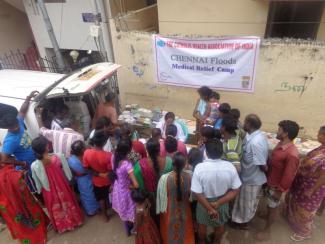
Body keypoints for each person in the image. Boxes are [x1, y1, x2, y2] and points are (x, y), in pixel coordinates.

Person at [255, 120, 300, 241]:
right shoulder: (281, 144)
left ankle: (267, 230)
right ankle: (267, 214)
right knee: (269, 205)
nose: (277, 131)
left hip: (276, 186)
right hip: (270, 181)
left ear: (285, 133)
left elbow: (289, 176)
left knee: (273, 207)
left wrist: (279, 191)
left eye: (279, 130)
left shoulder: (292, 154)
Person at [191, 141, 241, 244]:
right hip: (222, 201)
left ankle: (203, 241)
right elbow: (236, 189)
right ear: (222, 153)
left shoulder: (199, 168)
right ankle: (216, 241)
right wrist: (218, 203)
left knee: (202, 224)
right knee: (220, 224)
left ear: (206, 153)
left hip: (204, 202)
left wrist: (209, 208)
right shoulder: (230, 167)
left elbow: (197, 193)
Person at [31, 136, 83, 234]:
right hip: (62, 185)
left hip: (48, 190)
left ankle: (62, 226)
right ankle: (74, 221)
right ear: (46, 147)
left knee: (55, 207)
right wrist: (70, 179)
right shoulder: (58, 157)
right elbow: (68, 172)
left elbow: (36, 181)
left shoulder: (34, 165)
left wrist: (39, 190)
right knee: (68, 201)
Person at [284, 126, 325, 241]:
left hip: (312, 188)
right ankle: (292, 220)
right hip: (302, 183)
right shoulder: (322, 147)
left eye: (319, 134)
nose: (317, 135)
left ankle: (305, 232)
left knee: (305, 210)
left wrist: (312, 190)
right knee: (295, 202)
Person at [0, 154, 48, 244]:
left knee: (17, 223)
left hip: (6, 206)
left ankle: (26, 239)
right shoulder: (8, 173)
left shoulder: (7, 171)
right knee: (29, 216)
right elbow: (20, 186)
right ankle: (36, 237)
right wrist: (21, 175)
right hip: (19, 203)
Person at [231, 114, 268, 229]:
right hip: (247, 176)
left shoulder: (256, 142)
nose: (243, 124)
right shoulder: (250, 136)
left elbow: (262, 164)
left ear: (249, 124)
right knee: (242, 203)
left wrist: (267, 177)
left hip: (252, 179)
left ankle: (243, 224)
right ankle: (238, 220)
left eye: (245, 122)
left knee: (247, 204)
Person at [1, 91, 39, 191]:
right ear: (8, 127)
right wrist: (21, 163)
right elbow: (4, 159)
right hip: (28, 169)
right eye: (13, 127)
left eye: (16, 125)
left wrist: (28, 98)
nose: (16, 128)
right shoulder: (9, 141)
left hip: (35, 162)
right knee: (35, 189)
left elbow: (22, 111)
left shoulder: (18, 121)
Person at [157, 152, 195, 244]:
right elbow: (193, 196)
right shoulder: (190, 176)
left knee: (169, 232)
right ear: (184, 164)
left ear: (172, 164)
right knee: (186, 230)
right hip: (185, 210)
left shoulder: (164, 178)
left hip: (169, 212)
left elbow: (160, 198)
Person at [111, 139, 139, 236]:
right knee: (130, 211)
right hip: (126, 191)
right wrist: (130, 185)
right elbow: (136, 185)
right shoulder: (127, 164)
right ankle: (132, 229)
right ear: (128, 151)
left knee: (123, 210)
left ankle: (127, 230)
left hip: (118, 188)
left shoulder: (114, 157)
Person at [83, 131, 112, 221]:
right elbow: (110, 170)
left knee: (101, 198)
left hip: (97, 181)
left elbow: (86, 169)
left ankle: (104, 215)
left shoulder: (87, 153)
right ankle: (109, 208)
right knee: (108, 195)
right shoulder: (108, 155)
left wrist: (99, 174)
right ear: (104, 142)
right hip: (107, 179)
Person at [68, 140, 100, 216]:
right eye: (84, 147)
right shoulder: (85, 159)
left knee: (84, 194)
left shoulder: (71, 159)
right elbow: (89, 169)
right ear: (82, 150)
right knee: (91, 194)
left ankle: (90, 211)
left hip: (80, 180)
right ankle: (94, 210)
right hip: (86, 178)